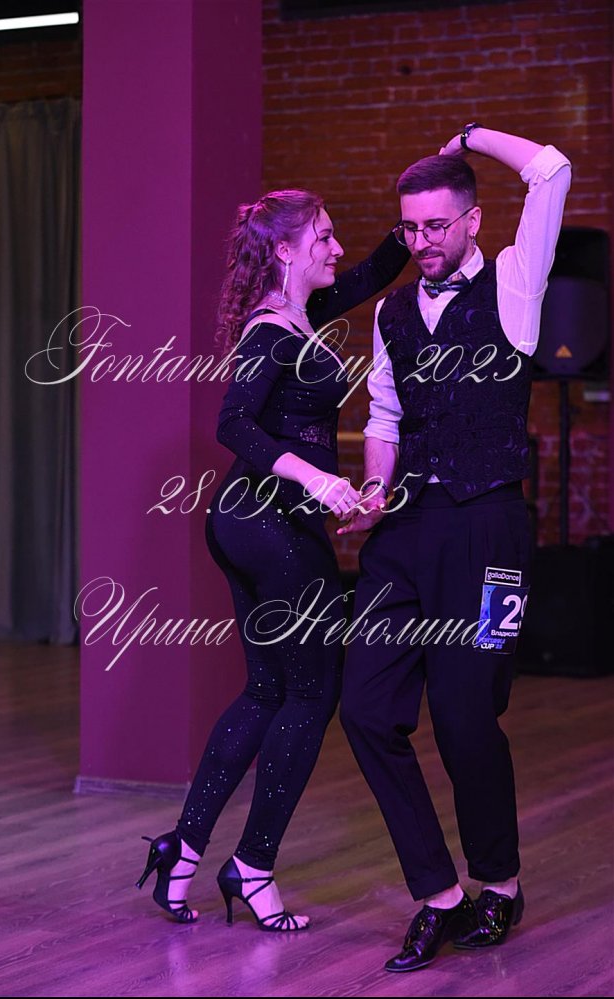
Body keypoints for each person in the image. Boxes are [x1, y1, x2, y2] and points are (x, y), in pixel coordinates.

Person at [135, 189, 409, 931]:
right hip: (270, 522)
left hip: (247, 520)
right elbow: (233, 423)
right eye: (323, 236)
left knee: (266, 691)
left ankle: (181, 853)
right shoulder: (271, 330)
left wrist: (416, 217)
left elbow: (369, 273)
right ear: (285, 251)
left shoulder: (302, 314)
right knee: (312, 694)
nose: (335, 247)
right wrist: (316, 479)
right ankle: (252, 866)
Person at [337, 125, 571, 969]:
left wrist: (471, 137)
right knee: (367, 709)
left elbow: (551, 169)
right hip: (406, 530)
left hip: (488, 527)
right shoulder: (392, 311)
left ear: (472, 221)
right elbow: (385, 416)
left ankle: (499, 884)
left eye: (436, 225)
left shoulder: (515, 282)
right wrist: (373, 490)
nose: (421, 242)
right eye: (409, 227)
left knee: (468, 715)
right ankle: (438, 893)